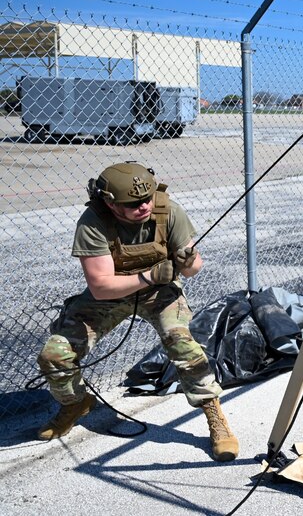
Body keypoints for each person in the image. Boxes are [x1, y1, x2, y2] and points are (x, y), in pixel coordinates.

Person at [36, 162, 238, 461]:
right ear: (110, 202)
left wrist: (187, 259)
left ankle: (214, 415)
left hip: (160, 294)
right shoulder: (93, 222)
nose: (144, 206)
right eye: (133, 204)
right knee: (55, 354)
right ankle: (75, 403)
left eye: (147, 199)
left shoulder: (168, 211)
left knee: (181, 341)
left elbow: (194, 269)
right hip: (112, 295)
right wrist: (149, 276)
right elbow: (101, 287)